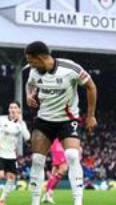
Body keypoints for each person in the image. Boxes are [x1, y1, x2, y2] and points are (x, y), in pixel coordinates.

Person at [24, 41, 97, 205]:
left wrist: (91, 115)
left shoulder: (70, 69)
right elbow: (30, 84)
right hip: (44, 120)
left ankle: (78, 202)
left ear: (41, 57)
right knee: (37, 160)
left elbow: (91, 87)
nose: (29, 64)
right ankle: (35, 202)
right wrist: (29, 95)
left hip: (67, 120)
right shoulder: (34, 72)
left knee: (72, 156)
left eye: (31, 60)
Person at [0, 101, 31, 205]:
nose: (13, 109)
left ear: (19, 110)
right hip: (0, 153)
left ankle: (2, 201)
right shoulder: (2, 119)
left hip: (12, 155)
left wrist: (21, 122)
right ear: (9, 110)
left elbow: (27, 137)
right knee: (0, 175)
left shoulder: (21, 124)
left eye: (15, 108)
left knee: (12, 178)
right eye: (11, 108)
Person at [42, 139, 68, 204]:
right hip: (58, 146)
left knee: (54, 173)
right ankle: (49, 193)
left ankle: (46, 195)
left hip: (56, 146)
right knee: (64, 168)